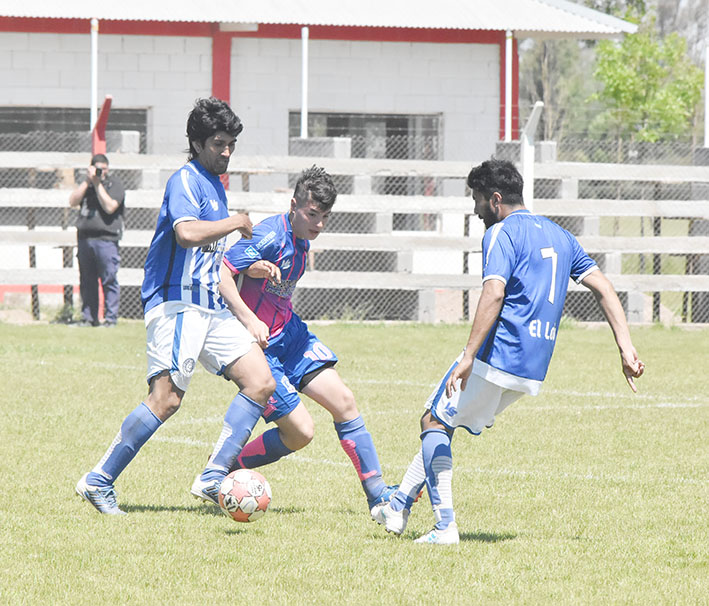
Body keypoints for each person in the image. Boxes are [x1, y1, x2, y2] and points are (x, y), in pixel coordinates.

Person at [372, 158, 645, 544]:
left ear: (495, 199)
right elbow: (603, 286)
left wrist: (467, 354)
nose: (475, 208)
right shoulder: (562, 235)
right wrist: (626, 348)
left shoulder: (501, 233)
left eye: (478, 199)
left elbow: (494, 291)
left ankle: (444, 527)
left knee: (433, 423)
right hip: (533, 364)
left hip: (499, 352)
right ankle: (398, 505)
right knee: (445, 421)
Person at [76, 97, 275, 515]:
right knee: (166, 399)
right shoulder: (184, 180)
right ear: (198, 142)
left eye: (231, 144)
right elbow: (186, 233)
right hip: (177, 303)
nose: (226, 152)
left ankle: (212, 476)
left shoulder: (215, 188)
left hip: (210, 305)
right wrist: (237, 222)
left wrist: (246, 286)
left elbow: (211, 257)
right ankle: (99, 480)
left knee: (260, 381)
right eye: (219, 143)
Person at [217, 165, 396, 515]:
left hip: (292, 337)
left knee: (344, 401)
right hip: (260, 349)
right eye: (313, 214)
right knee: (300, 433)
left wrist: (259, 273)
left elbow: (264, 278)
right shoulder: (268, 234)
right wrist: (250, 319)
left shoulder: (301, 239)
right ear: (294, 204)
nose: (319, 224)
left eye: (325, 217)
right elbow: (222, 273)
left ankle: (379, 497)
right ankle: (223, 469)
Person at [68, 153, 125, 326]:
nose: (101, 172)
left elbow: (110, 207)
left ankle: (110, 319)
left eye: (103, 169)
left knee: (109, 279)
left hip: (106, 239)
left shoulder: (114, 184)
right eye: (97, 168)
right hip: (85, 239)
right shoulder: (87, 186)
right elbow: (72, 201)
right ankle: (88, 318)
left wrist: (97, 184)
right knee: (87, 280)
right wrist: (88, 181)